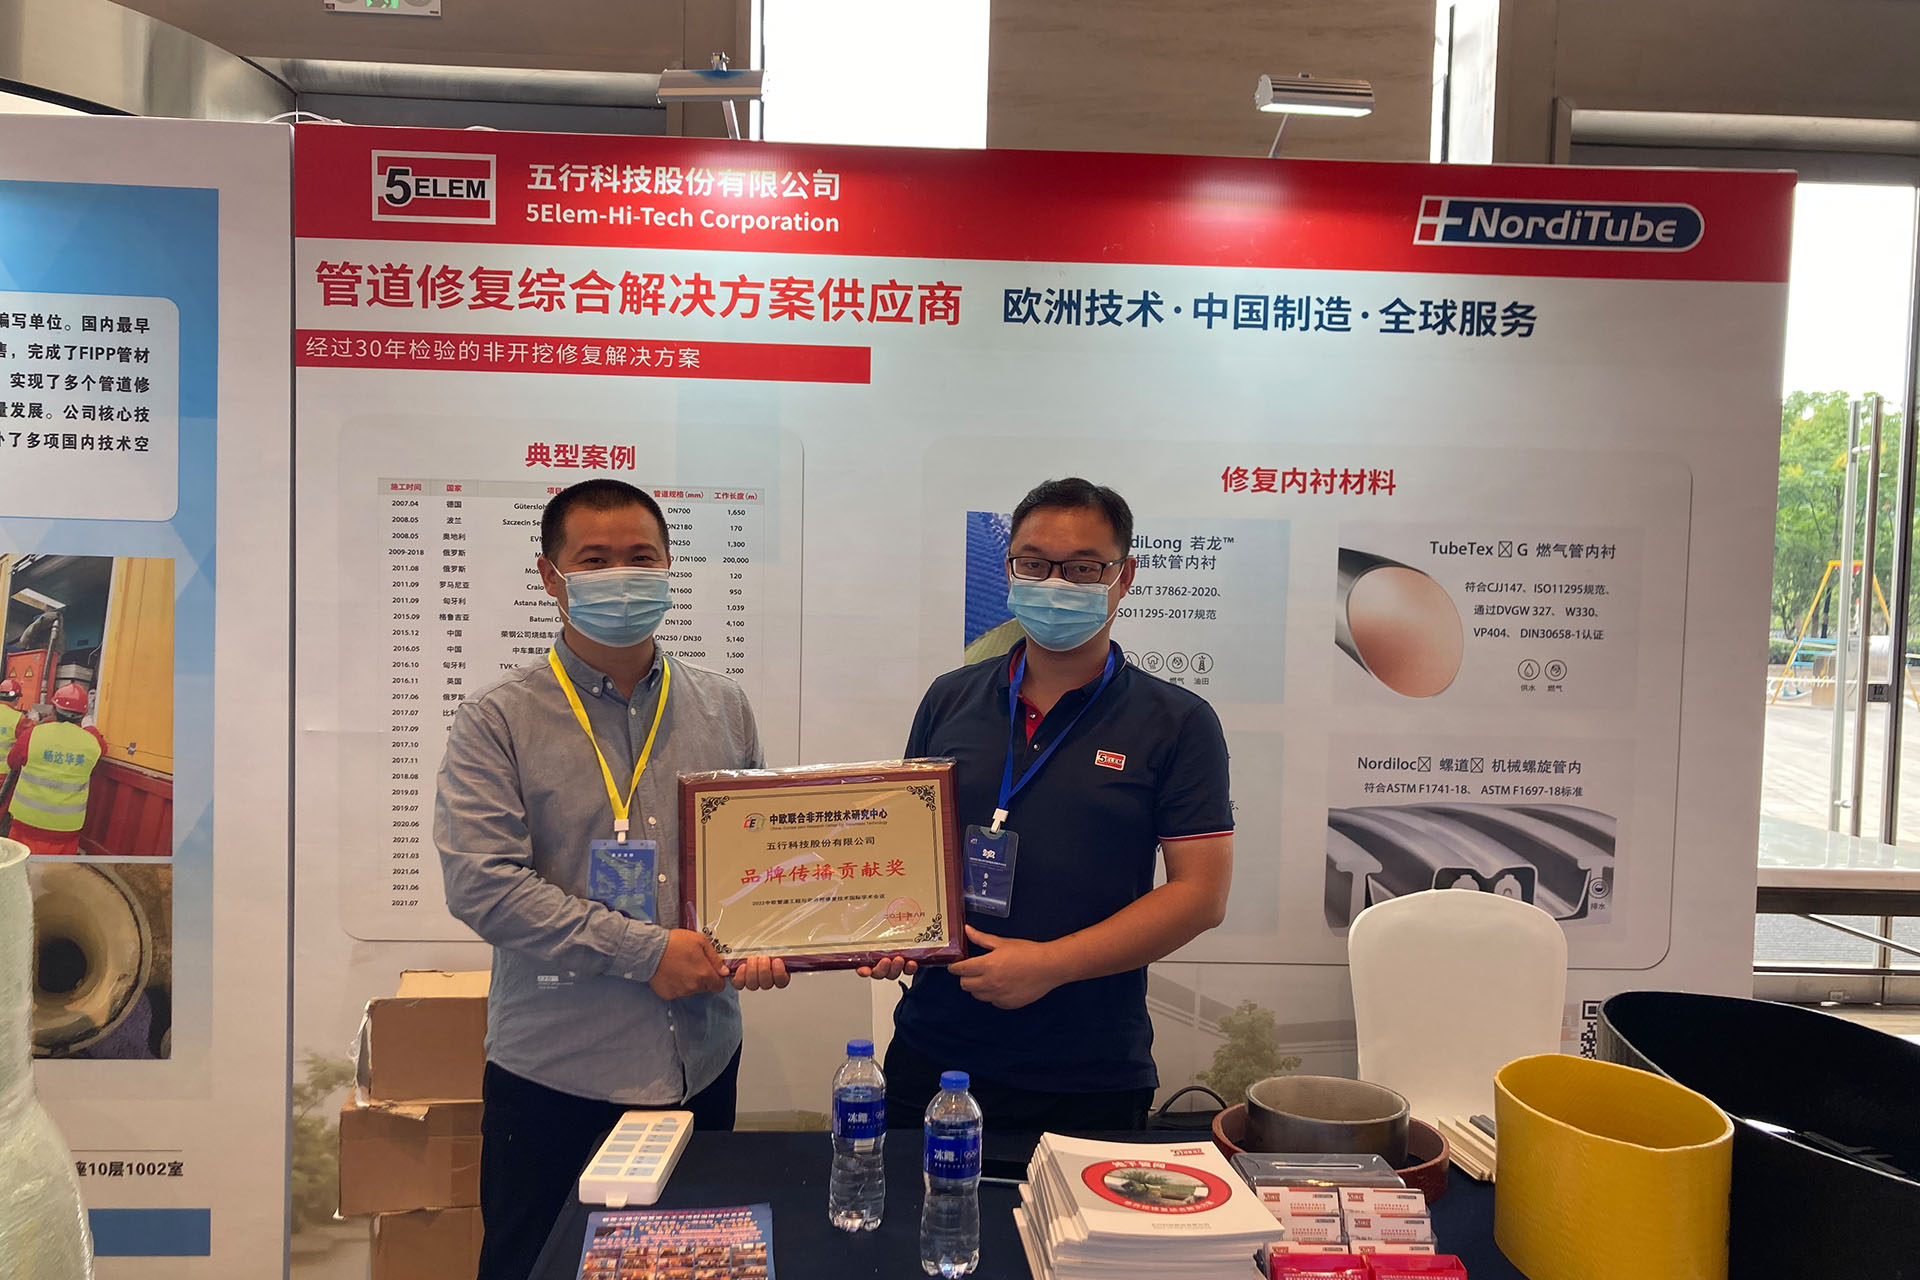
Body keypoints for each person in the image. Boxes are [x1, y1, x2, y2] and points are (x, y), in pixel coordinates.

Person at [436, 477, 789, 1280]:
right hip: (558, 1076)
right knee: (537, 1266)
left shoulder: (723, 706)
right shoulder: (498, 718)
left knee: (694, 1267)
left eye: (641, 557)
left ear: (668, 567)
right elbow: (484, 885)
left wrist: (770, 939)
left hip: (702, 1063)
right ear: (550, 576)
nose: (621, 576)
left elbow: (753, 864)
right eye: (594, 560)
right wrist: (647, 953)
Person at [865, 478, 1235, 1132]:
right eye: (1034, 564)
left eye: (1083, 568)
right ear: (1009, 571)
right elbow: (909, 854)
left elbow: (1200, 894)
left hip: (1089, 1068)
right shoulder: (950, 699)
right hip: (934, 1049)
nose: (1055, 584)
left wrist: (1049, 966)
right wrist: (889, 931)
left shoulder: (1177, 721)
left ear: (1124, 578)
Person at [0, 682, 105, 856]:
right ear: (84, 714)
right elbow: (101, 747)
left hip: (25, 822)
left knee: (18, 864)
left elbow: (13, 762)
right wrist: (89, 726)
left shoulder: (32, 734)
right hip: (66, 829)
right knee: (55, 871)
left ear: (54, 709)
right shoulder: (93, 743)